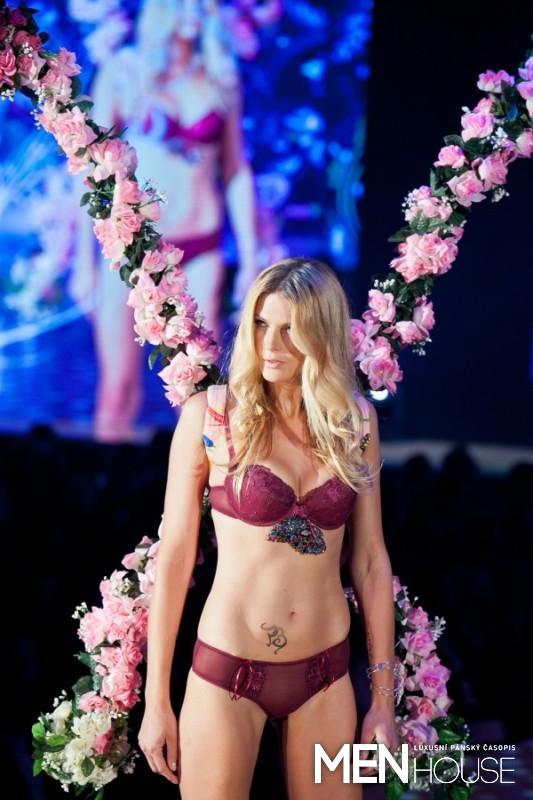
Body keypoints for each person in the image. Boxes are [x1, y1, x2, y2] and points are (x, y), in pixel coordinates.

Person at [138, 257, 399, 799]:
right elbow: (176, 559)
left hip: (326, 675)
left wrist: (382, 701)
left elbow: (371, 563)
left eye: (289, 328)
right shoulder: (210, 416)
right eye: (260, 323)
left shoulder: (354, 422)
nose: (270, 344)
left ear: (321, 334)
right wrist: (156, 700)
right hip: (226, 673)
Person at [71, 0, 258, 441]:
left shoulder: (219, 76)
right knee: (118, 388)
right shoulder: (123, 71)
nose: (196, 10)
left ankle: (195, 486)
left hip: (200, 250)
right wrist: (82, 262)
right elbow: (91, 172)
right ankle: (104, 481)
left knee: (198, 396)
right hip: (129, 252)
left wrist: (251, 259)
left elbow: (236, 171)